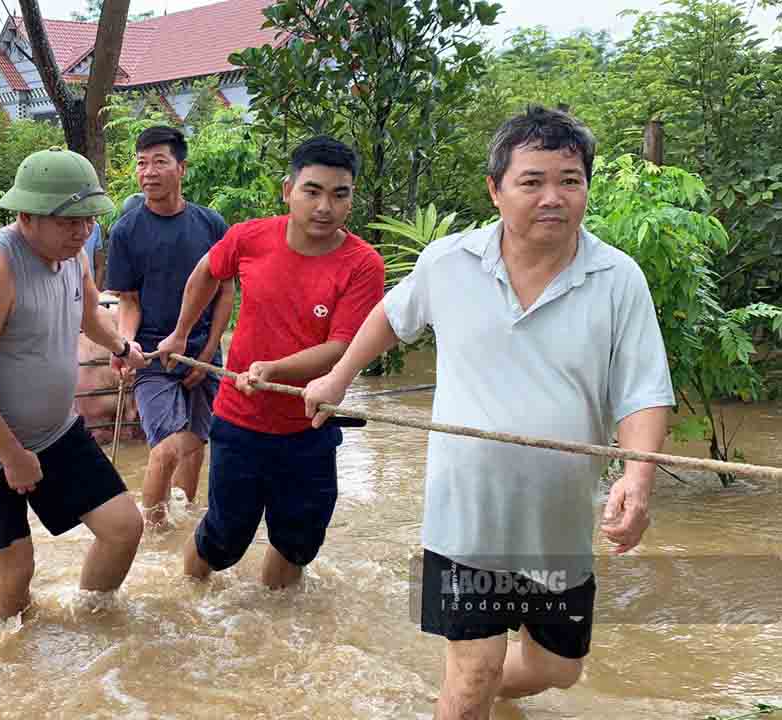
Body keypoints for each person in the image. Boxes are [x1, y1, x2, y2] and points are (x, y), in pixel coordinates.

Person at [301, 106, 675, 720]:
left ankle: (465, 691)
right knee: (473, 673)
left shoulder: (618, 279)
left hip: (557, 526)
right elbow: (393, 319)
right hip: (465, 518)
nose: (553, 197)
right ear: (495, 189)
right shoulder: (449, 262)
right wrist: (339, 378)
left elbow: (642, 392)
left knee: (558, 668)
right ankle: (465, 692)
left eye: (570, 180)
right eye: (533, 181)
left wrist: (636, 482)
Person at [157, 135, 385, 589]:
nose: (325, 206)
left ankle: (276, 627)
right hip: (239, 424)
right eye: (312, 191)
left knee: (297, 541)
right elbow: (206, 272)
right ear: (288, 190)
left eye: (340, 194)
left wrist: (273, 369)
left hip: (310, 427)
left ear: (351, 199)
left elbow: (343, 347)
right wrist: (181, 331)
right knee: (224, 539)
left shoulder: (363, 264)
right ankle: (187, 602)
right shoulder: (249, 237)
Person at [0, 147, 148, 620]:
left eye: (89, 219)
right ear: (27, 216)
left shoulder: (74, 254)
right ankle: (14, 662)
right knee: (19, 570)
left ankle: (91, 625)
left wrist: (119, 347)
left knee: (123, 527)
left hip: (55, 432)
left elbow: (89, 313)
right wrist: (12, 457)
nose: (82, 231)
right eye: (68, 221)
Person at [105, 126, 236, 525]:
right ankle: (153, 533)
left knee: (195, 448)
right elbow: (129, 301)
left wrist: (209, 351)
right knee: (166, 448)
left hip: (203, 353)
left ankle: (187, 523)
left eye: (159, 162)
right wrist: (124, 347)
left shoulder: (211, 224)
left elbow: (225, 291)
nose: (148, 172)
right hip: (152, 356)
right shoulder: (126, 231)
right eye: (141, 163)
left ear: (182, 168)